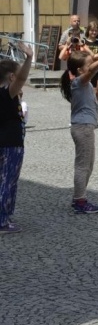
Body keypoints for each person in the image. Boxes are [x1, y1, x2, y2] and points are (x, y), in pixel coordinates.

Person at [60, 47, 98, 214]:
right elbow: (91, 69)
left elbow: (90, 65)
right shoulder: (78, 82)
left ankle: (80, 197)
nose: (91, 66)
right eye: (88, 65)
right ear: (79, 70)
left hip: (86, 127)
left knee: (88, 165)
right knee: (83, 166)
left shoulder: (82, 81)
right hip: (82, 128)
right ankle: (80, 201)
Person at [0, 40, 33, 234]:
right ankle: (2, 221)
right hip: (10, 144)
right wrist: (29, 58)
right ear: (12, 76)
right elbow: (20, 80)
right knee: (8, 182)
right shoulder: (7, 93)